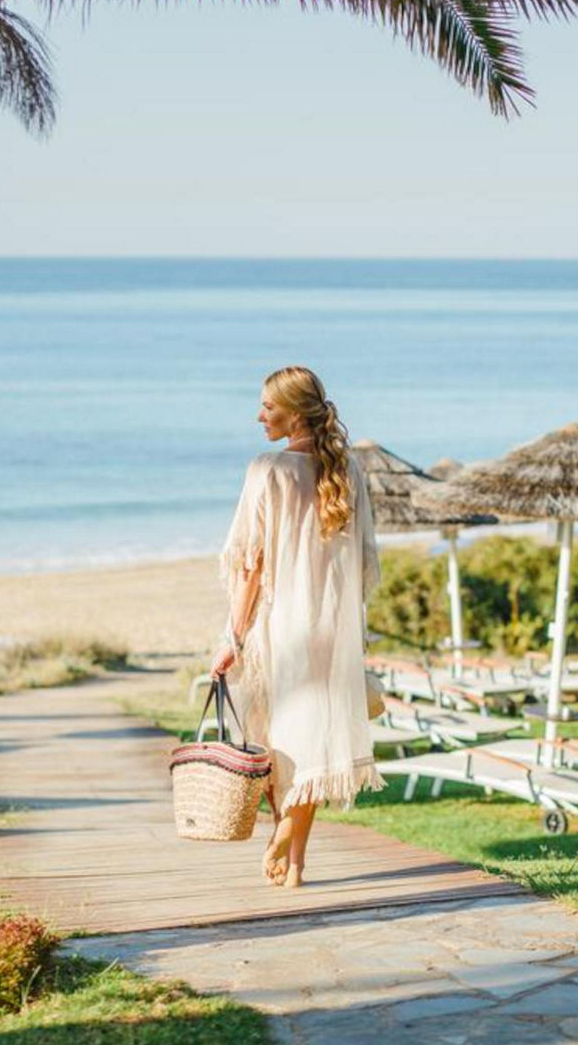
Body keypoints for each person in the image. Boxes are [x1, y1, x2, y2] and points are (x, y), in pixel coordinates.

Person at [209, 365, 384, 888]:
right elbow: (362, 564)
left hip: (279, 630)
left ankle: (283, 831)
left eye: (267, 406)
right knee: (314, 741)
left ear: (293, 411)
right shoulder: (347, 469)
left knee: (275, 747)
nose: (259, 415)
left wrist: (231, 638)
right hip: (332, 629)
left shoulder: (267, 469)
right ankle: (298, 864)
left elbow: (250, 567)